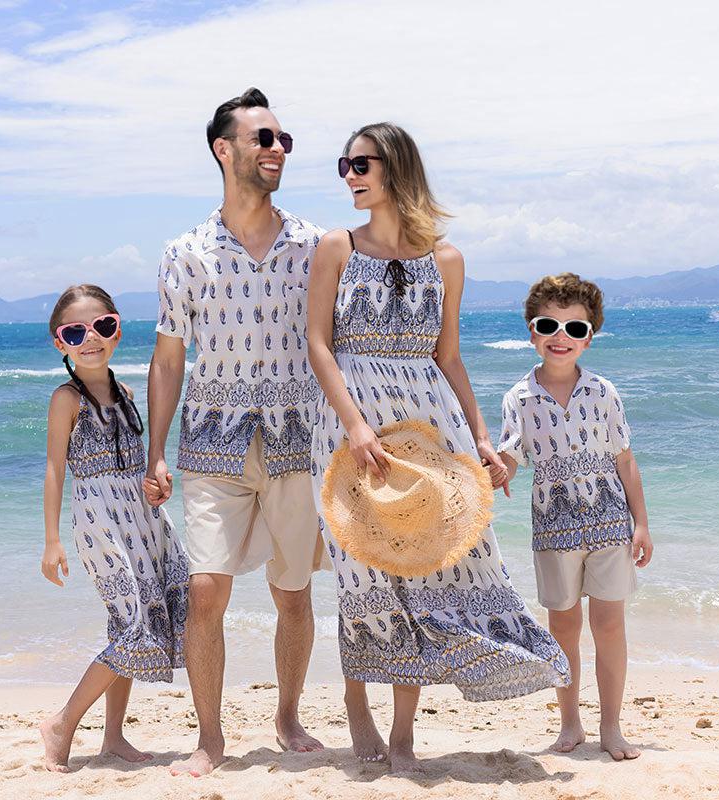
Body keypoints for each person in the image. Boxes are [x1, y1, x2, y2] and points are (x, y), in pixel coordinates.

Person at [306, 122, 570, 773]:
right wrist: (355, 424)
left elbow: (448, 356)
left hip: (428, 420)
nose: (349, 175)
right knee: (367, 571)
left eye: (360, 164)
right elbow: (318, 342)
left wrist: (480, 438)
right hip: (350, 425)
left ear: (395, 169)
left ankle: (403, 733)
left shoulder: (446, 258)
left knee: (431, 567)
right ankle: (357, 703)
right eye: (344, 164)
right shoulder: (335, 247)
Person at [145, 87, 327, 777]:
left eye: (283, 139)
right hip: (210, 441)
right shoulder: (185, 252)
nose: (277, 149)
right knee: (205, 592)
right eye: (264, 138)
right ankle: (210, 736)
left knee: (293, 594)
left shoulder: (313, 245)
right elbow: (168, 359)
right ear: (225, 150)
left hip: (294, 440)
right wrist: (155, 453)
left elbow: (337, 345)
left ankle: (287, 715)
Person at [497, 273, 654, 760]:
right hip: (554, 528)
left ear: (590, 338)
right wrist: (481, 472)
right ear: (531, 332)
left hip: (610, 522)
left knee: (609, 624)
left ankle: (612, 727)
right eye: (549, 324)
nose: (561, 337)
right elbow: (510, 459)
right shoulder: (518, 399)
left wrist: (642, 524)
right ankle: (570, 724)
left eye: (575, 329)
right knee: (563, 628)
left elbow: (625, 460)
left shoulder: (604, 392)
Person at [39, 284, 188, 773]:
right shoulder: (67, 399)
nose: (91, 338)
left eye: (102, 326)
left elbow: (134, 464)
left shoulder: (124, 394)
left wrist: (155, 486)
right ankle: (62, 721)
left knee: (136, 619)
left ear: (117, 330)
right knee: (135, 628)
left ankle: (113, 737)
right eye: (76, 331)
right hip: (101, 523)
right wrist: (53, 540)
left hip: (142, 519)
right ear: (60, 343)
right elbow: (55, 469)